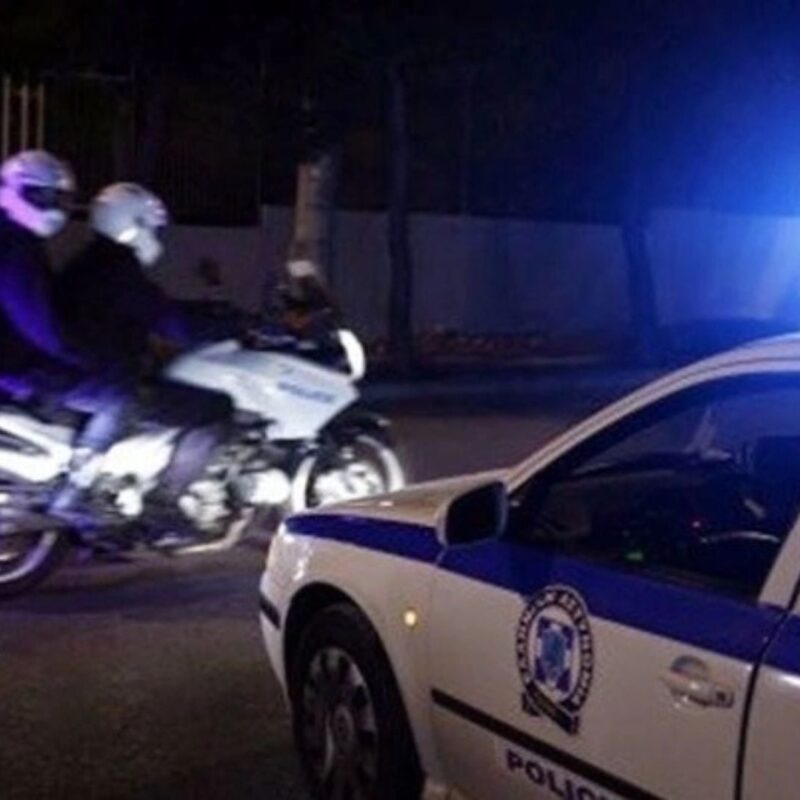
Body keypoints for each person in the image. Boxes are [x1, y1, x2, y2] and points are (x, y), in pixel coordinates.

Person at [57, 182, 232, 513]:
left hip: (81, 373)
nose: (156, 236)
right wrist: (226, 325)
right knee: (215, 408)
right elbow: (171, 321)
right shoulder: (118, 269)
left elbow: (154, 307)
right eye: (152, 227)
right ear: (133, 224)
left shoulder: (91, 261)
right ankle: (166, 502)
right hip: (105, 380)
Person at [0, 150, 141, 520]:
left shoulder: (14, 237)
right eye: (42, 196)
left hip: (13, 360)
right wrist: (80, 353)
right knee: (117, 395)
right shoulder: (14, 245)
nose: (53, 207)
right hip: (16, 368)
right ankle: (71, 497)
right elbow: (35, 320)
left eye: (59, 199)